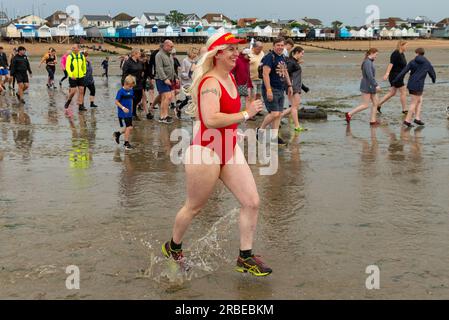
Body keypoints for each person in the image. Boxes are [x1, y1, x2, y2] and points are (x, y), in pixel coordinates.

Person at [162, 32, 271, 277]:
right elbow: (210, 119)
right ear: (217, 53)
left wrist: (235, 131)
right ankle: (173, 247)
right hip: (205, 153)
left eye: (237, 49)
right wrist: (246, 115)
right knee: (194, 207)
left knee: (252, 201)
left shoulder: (230, 76)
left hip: (228, 148)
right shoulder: (210, 82)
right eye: (230, 49)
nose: (237, 53)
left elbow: (221, 117)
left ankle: (245, 257)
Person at [258, 37, 293, 146]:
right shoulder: (269, 57)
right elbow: (265, 74)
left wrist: (289, 85)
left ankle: (274, 136)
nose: (280, 47)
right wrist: (268, 90)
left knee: (279, 115)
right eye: (278, 45)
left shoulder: (282, 57)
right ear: (273, 46)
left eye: (282, 45)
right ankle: (260, 130)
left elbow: (285, 71)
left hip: (280, 88)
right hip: (271, 88)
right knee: (274, 113)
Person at [393, 48, 436, 127]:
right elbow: (432, 72)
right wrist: (433, 79)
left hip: (411, 84)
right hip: (418, 85)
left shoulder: (412, 62)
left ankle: (417, 118)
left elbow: (403, 72)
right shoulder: (427, 63)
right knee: (414, 103)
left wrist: (396, 80)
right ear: (423, 54)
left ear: (416, 53)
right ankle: (407, 120)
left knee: (419, 100)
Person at [345, 48, 381, 126]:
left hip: (370, 85)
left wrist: (374, 85)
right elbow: (370, 75)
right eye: (376, 54)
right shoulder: (367, 62)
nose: (376, 56)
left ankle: (372, 121)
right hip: (367, 85)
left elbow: (371, 76)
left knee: (375, 102)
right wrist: (376, 85)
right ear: (371, 53)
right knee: (365, 105)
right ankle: (349, 114)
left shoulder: (369, 62)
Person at [281, 46, 310, 132]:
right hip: (293, 87)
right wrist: (290, 86)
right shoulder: (291, 62)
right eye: (302, 53)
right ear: (297, 52)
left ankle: (278, 117)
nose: (302, 55)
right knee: (295, 107)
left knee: (294, 106)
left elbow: (296, 76)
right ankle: (296, 126)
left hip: (295, 86)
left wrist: (303, 87)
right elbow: (286, 75)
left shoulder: (293, 62)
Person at [377, 41, 408, 114]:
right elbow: (391, 64)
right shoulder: (395, 54)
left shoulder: (402, 54)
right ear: (401, 45)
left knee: (392, 92)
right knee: (403, 91)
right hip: (395, 76)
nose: (407, 47)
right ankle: (404, 110)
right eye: (406, 45)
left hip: (399, 75)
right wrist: (386, 74)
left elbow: (403, 65)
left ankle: (378, 104)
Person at [122, 48, 149, 121]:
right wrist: (124, 85)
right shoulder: (128, 62)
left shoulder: (139, 62)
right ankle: (132, 114)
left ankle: (133, 112)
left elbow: (142, 71)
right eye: (139, 53)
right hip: (131, 84)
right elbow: (124, 74)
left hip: (139, 83)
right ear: (134, 54)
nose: (140, 54)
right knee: (132, 99)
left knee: (139, 98)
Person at [155, 40, 178, 123]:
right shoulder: (159, 55)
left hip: (170, 79)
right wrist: (165, 79)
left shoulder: (170, 55)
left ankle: (163, 116)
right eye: (171, 46)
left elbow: (172, 68)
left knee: (166, 98)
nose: (172, 48)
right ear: (165, 46)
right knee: (167, 97)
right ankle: (164, 116)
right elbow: (159, 68)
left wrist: (176, 77)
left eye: (172, 46)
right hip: (161, 79)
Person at [113, 75, 135, 150]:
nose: (131, 88)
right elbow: (116, 102)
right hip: (122, 112)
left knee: (130, 127)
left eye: (132, 87)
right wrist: (123, 108)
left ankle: (117, 134)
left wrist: (132, 110)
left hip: (129, 112)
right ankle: (126, 143)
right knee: (128, 127)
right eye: (130, 86)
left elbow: (131, 100)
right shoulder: (121, 91)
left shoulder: (131, 90)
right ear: (125, 84)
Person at [65, 44, 87, 112]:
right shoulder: (70, 57)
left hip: (81, 76)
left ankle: (80, 106)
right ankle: (68, 101)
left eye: (74, 48)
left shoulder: (82, 56)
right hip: (73, 77)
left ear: (78, 48)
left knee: (81, 91)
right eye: (72, 48)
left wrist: (84, 72)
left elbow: (84, 65)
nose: (73, 49)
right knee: (73, 92)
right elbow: (67, 67)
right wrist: (71, 75)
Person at [232, 48, 253, 113]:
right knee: (240, 100)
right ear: (244, 54)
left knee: (247, 99)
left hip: (245, 84)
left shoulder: (247, 62)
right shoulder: (237, 60)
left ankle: (246, 113)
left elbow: (248, 74)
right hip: (238, 84)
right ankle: (238, 113)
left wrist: (250, 84)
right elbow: (232, 71)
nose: (249, 57)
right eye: (248, 56)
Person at [178, 48, 198, 114]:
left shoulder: (195, 61)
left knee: (189, 99)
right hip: (186, 83)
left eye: (196, 53)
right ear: (190, 53)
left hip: (193, 83)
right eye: (194, 53)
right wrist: (189, 75)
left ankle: (178, 108)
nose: (196, 55)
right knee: (190, 99)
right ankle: (192, 114)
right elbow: (182, 73)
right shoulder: (185, 61)